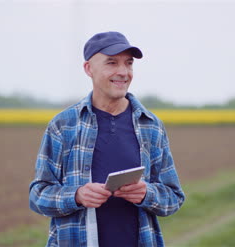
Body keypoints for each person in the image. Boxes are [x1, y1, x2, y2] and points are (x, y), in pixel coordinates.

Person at [29, 31, 185, 247]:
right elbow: (38, 196)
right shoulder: (63, 125)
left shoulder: (151, 125)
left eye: (128, 63)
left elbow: (173, 197)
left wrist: (146, 193)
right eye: (112, 63)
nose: (123, 72)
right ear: (88, 69)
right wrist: (77, 196)